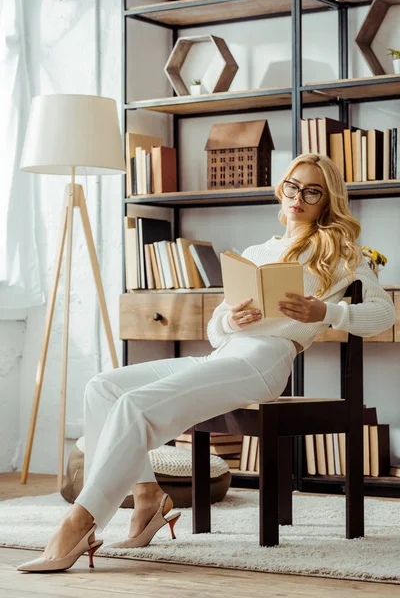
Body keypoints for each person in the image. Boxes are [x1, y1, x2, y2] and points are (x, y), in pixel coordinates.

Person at [18, 154, 396, 572]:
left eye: (312, 191)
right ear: (281, 189)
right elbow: (217, 327)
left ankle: (81, 521)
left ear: (327, 200)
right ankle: (148, 497)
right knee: (103, 388)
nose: (298, 197)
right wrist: (231, 319)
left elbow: (384, 314)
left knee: (135, 406)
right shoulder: (256, 251)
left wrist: (324, 314)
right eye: (292, 185)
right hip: (228, 352)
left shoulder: (340, 253)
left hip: (266, 359)